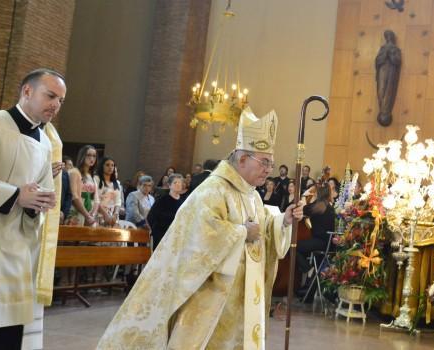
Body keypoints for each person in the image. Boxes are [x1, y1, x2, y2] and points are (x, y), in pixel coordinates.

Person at [98, 108, 303, 349]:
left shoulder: (253, 196)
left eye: (272, 163)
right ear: (243, 159)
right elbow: (199, 233)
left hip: (242, 297)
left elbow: (261, 226)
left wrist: (283, 221)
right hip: (213, 298)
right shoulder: (213, 190)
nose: (269, 169)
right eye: (265, 162)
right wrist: (241, 233)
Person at [0, 68, 65, 349]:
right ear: (27, 91)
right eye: (50, 96)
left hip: (18, 250)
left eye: (60, 100)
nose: (55, 105)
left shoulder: (45, 143)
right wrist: (14, 196)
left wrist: (41, 203)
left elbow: (41, 189)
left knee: (8, 333)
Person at [296, 183, 336, 295]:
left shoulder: (319, 205)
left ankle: (307, 269)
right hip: (327, 242)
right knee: (317, 264)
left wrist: (304, 195)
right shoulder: (327, 205)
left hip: (321, 242)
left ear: (319, 193)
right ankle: (307, 294)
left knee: (294, 247)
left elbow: (302, 209)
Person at [147, 174, 186, 248]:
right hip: (162, 235)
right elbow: (151, 217)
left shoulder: (183, 202)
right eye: (175, 183)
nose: (178, 184)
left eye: (180, 182)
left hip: (176, 236)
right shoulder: (162, 200)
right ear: (169, 185)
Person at [66, 145, 100, 226]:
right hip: (76, 212)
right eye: (88, 155)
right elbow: (74, 196)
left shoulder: (93, 177)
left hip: (90, 215)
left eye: (94, 156)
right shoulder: (74, 172)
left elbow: (97, 200)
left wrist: (92, 215)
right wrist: (87, 215)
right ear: (82, 156)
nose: (92, 158)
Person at [94, 157, 122, 227]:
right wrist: (105, 214)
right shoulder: (96, 179)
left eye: (112, 165)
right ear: (102, 166)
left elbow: (118, 201)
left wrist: (115, 214)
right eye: (107, 165)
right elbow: (95, 200)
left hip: (113, 215)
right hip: (98, 214)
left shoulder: (117, 183)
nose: (110, 167)